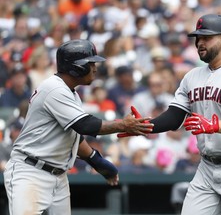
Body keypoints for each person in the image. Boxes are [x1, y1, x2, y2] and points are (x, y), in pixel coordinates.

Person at [119, 14, 221, 215]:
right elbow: (175, 115)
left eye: (207, 37)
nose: (200, 43)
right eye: (198, 38)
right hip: (207, 166)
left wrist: (215, 126)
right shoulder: (192, 77)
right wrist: (147, 126)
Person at [3, 39, 153, 215]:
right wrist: (123, 124)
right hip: (30, 172)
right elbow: (85, 125)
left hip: (57, 175)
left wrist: (96, 160)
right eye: (90, 63)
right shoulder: (54, 89)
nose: (95, 68)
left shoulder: (70, 92)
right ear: (76, 67)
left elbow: (73, 134)